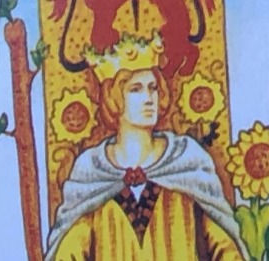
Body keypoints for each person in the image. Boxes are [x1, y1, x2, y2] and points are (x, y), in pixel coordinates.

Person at [48, 40, 246, 261]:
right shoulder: (92, 170)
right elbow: (69, 252)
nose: (149, 98)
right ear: (114, 98)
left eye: (153, 88)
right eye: (136, 89)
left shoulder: (185, 159)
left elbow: (226, 248)